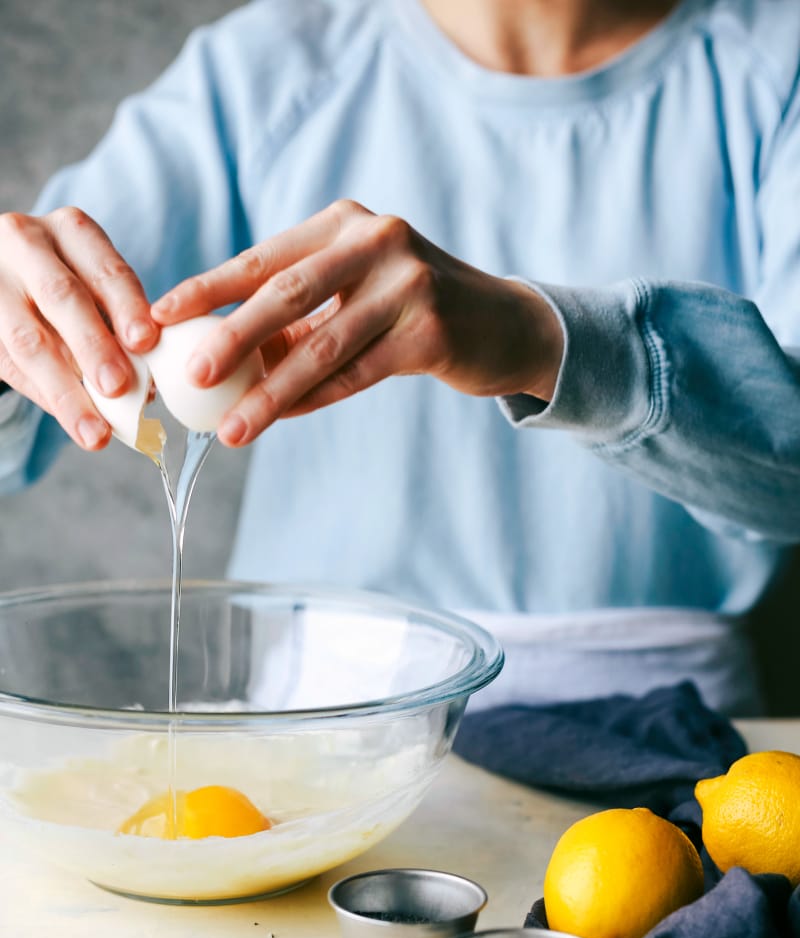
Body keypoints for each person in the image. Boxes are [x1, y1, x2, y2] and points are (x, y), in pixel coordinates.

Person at [1, 0, 799, 715]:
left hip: (670, 738)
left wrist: (543, 342)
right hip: (321, 734)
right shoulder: (267, 70)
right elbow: (42, 383)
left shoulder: (776, 64)